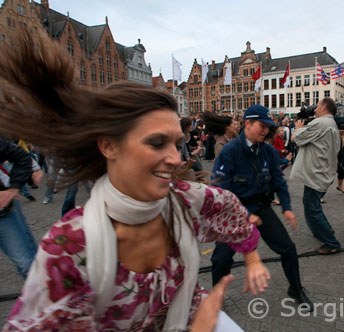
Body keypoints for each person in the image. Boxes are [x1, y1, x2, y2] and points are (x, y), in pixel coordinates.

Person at [0, 30, 270, 331]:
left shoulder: (184, 199)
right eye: (156, 143)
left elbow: (229, 209)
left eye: (175, 143)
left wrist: (253, 257)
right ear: (109, 146)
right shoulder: (71, 248)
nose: (176, 158)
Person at [211, 104, 313, 310]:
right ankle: (216, 299)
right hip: (234, 213)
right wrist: (243, 215)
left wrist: (286, 207)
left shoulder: (268, 151)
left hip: (261, 208)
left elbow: (279, 182)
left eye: (269, 127)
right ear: (247, 123)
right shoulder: (229, 152)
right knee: (220, 260)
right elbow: (220, 193)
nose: (266, 131)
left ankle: (295, 288)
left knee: (289, 249)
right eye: (262, 126)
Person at [290, 97, 342, 254]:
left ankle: (331, 243)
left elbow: (296, 139)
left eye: (318, 106)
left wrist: (298, 127)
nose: (315, 109)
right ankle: (326, 230)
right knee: (313, 205)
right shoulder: (331, 123)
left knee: (312, 208)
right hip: (323, 170)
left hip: (316, 172)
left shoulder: (321, 123)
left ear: (324, 106)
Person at [0, 138, 39, 278]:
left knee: (27, 265)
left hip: (2, 217)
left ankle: (44, 295)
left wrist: (14, 188)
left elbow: (21, 156)